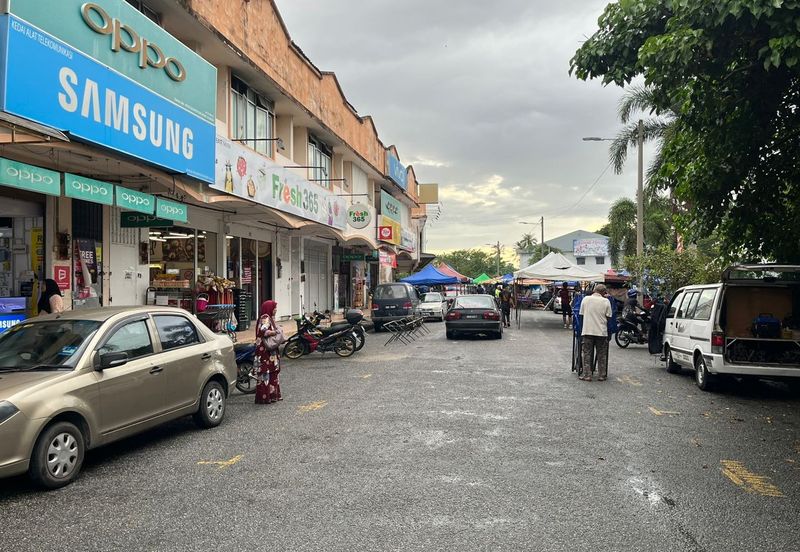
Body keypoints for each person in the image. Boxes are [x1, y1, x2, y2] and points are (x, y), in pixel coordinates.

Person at [578, 283, 612, 381]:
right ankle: (602, 375)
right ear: (603, 292)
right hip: (601, 332)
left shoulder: (586, 299)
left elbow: (581, 314)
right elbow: (609, 316)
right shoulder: (606, 301)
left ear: (594, 290)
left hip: (588, 330)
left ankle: (587, 375)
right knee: (601, 354)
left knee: (587, 353)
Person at [254, 300, 283, 404]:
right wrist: (275, 332)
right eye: (274, 308)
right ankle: (266, 397)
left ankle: (270, 396)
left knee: (271, 372)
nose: (276, 310)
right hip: (265, 350)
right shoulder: (265, 317)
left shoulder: (268, 317)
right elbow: (263, 331)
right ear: (269, 308)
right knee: (266, 372)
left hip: (268, 350)